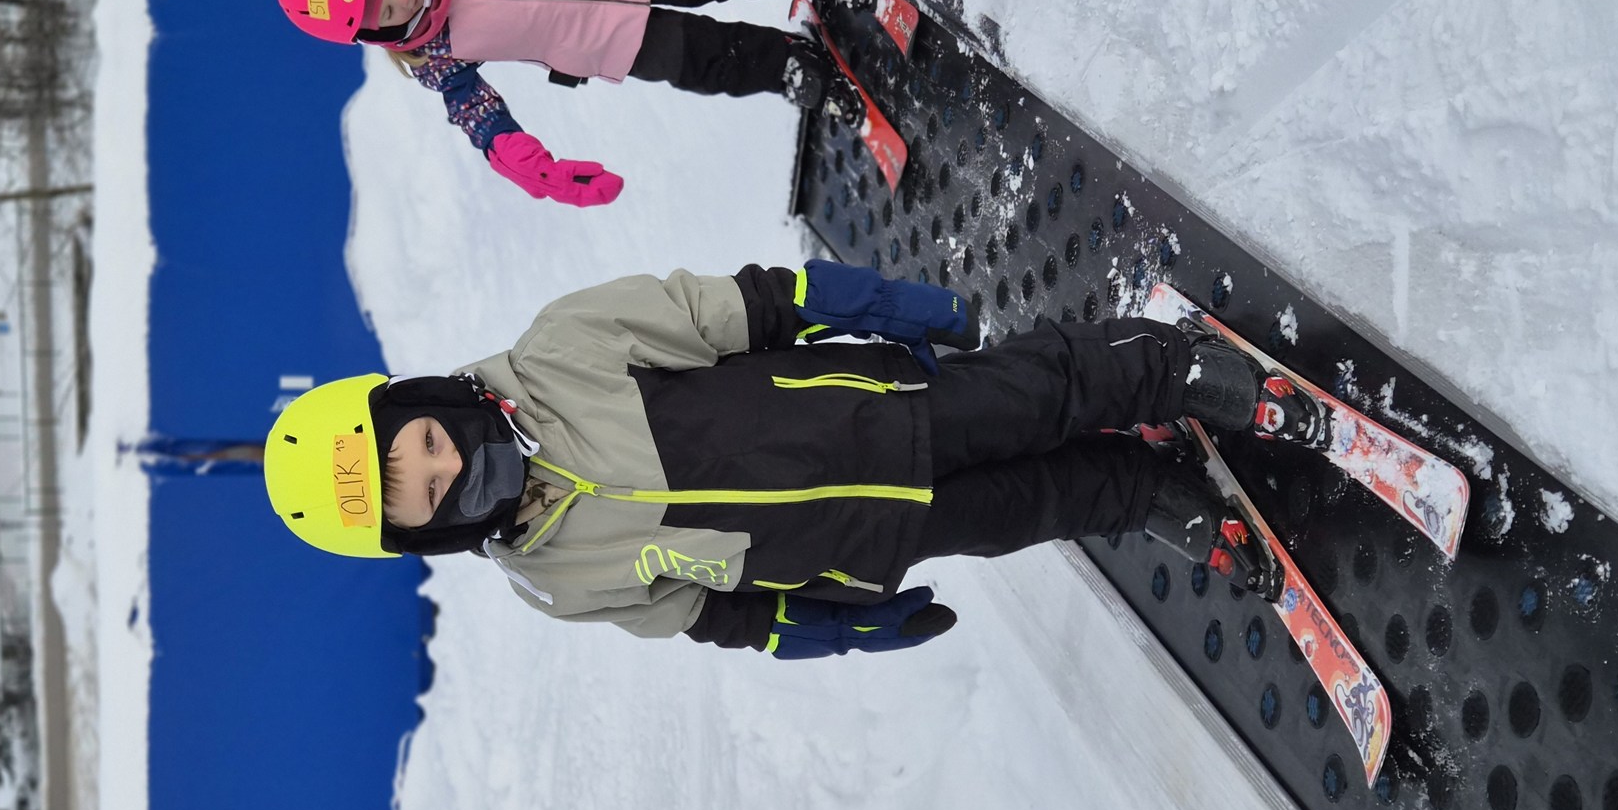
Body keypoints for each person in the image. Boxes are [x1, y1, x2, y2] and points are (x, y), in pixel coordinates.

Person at [263, 263, 1324, 657]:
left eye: (427, 444)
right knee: (1026, 508)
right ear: (427, 536)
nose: (452, 470)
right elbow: (698, 611)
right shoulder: (553, 579)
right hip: (860, 540)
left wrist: (858, 303)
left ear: (424, 400)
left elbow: (725, 310)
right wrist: (824, 628)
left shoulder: (560, 351)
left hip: (870, 416)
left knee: (1029, 396)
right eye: (429, 497)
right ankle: (1141, 490)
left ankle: (1169, 369)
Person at [274, 0, 877, 208]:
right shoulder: (435, 57)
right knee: (707, 61)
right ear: (376, 35)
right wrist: (531, 167)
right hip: (606, 45)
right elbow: (478, 114)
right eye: (385, 11)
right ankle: (788, 65)